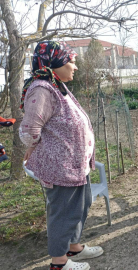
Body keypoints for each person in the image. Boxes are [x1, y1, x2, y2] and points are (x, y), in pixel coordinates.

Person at [20, 41, 103, 270]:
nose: (75, 66)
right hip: (60, 167)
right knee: (62, 213)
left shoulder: (55, 85)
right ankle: (59, 263)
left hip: (75, 165)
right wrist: (33, 145)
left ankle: (73, 246)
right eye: (71, 61)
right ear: (55, 63)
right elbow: (29, 129)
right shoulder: (41, 89)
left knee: (81, 205)